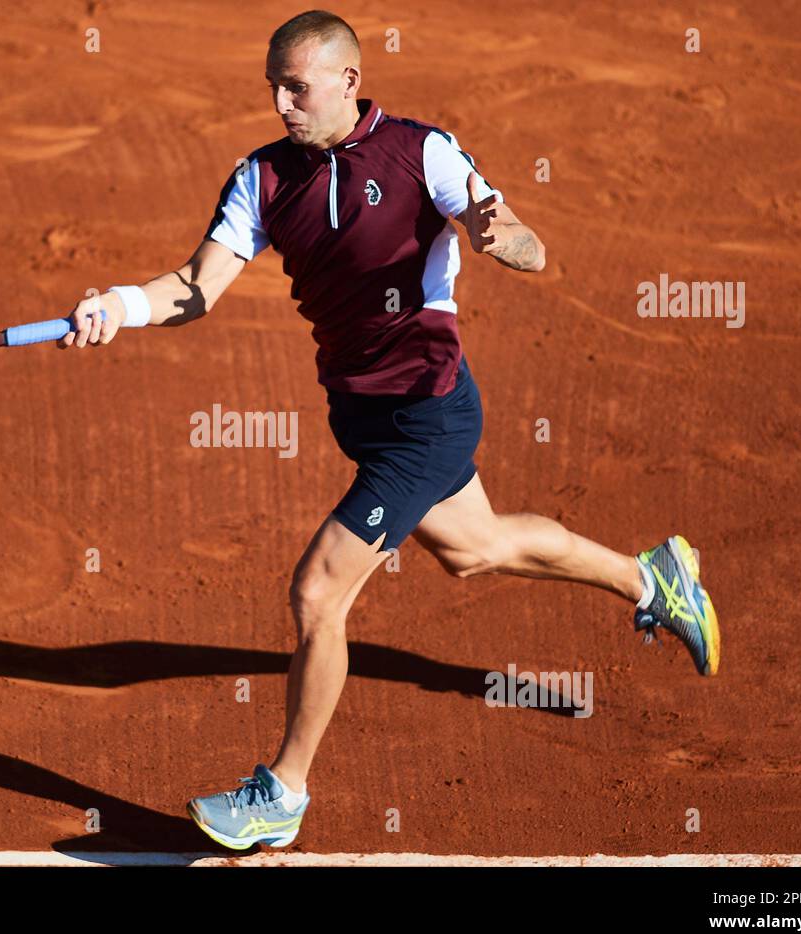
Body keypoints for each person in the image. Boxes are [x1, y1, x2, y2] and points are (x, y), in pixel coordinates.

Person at [57, 10, 721, 851]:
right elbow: (195, 286)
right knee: (476, 548)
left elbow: (527, 243)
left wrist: (498, 236)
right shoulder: (261, 178)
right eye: (273, 86)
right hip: (360, 412)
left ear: (347, 81)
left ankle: (282, 795)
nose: (281, 102)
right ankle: (654, 579)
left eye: (296, 87)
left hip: (427, 411)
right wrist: (116, 307)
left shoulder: (421, 152)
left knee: (317, 593)